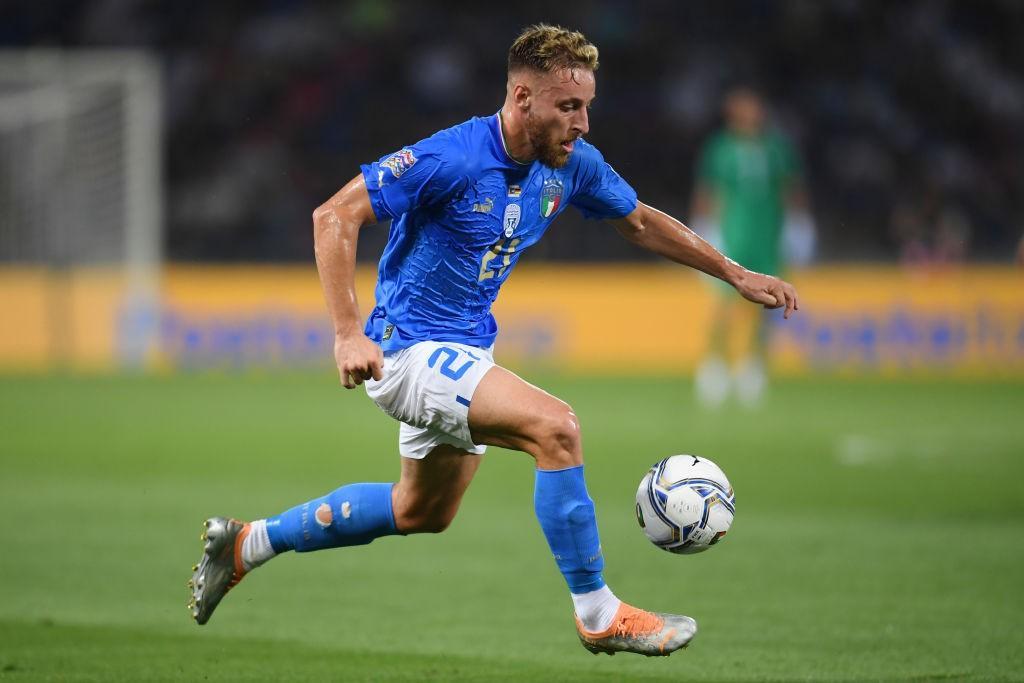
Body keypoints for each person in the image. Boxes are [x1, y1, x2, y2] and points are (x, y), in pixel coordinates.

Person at [188, 24, 798, 657]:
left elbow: (640, 221)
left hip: (463, 352)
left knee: (420, 511)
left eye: (587, 106)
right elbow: (334, 216)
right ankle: (598, 612)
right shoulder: (452, 157)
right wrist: (346, 333)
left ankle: (247, 543)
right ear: (522, 97)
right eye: (568, 107)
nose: (583, 123)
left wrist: (734, 272)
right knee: (555, 427)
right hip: (405, 352)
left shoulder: (573, 166)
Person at [691, 87, 810, 408]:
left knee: (769, 303)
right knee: (724, 304)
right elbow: (709, 190)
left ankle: (753, 366)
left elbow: (790, 189)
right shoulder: (721, 149)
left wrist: (800, 225)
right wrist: (703, 229)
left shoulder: (777, 148)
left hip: (768, 237)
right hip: (731, 237)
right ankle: (715, 365)